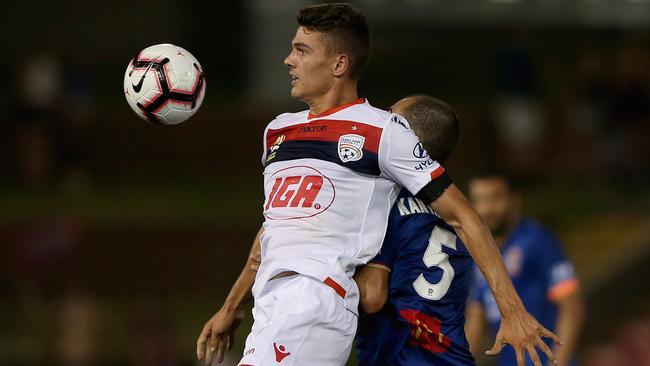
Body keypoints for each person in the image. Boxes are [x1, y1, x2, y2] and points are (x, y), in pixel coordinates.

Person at [196, 4, 560, 366]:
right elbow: (274, 227)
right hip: (271, 303)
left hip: (313, 299)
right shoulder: (277, 130)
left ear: (340, 64)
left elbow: (464, 214)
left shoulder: (384, 130)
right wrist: (232, 307)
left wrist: (512, 310)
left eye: (302, 51)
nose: (288, 60)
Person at [354, 95, 476, 365]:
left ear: (406, 137)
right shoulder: (458, 218)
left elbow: (372, 296)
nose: (384, 121)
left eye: (392, 116)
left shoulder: (386, 203)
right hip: (453, 357)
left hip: (402, 357)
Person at [465, 173, 584, 366]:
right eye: (479, 200)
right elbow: (476, 318)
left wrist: (558, 363)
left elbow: (571, 306)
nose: (486, 209)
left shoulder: (537, 240)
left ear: (514, 199)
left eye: (494, 198)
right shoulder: (479, 254)